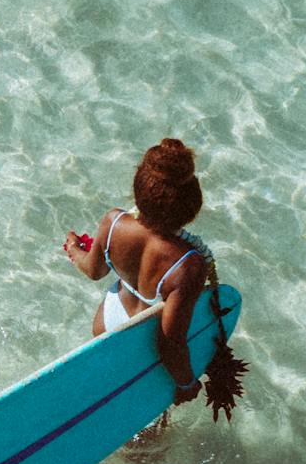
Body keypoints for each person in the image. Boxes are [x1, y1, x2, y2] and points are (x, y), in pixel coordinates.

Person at [63, 138, 209, 408]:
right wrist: (187, 383)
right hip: (145, 346)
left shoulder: (114, 221)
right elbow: (170, 343)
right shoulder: (188, 265)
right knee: (147, 423)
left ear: (138, 191)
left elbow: (94, 270)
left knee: (113, 400)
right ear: (191, 205)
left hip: (108, 323)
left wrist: (74, 250)